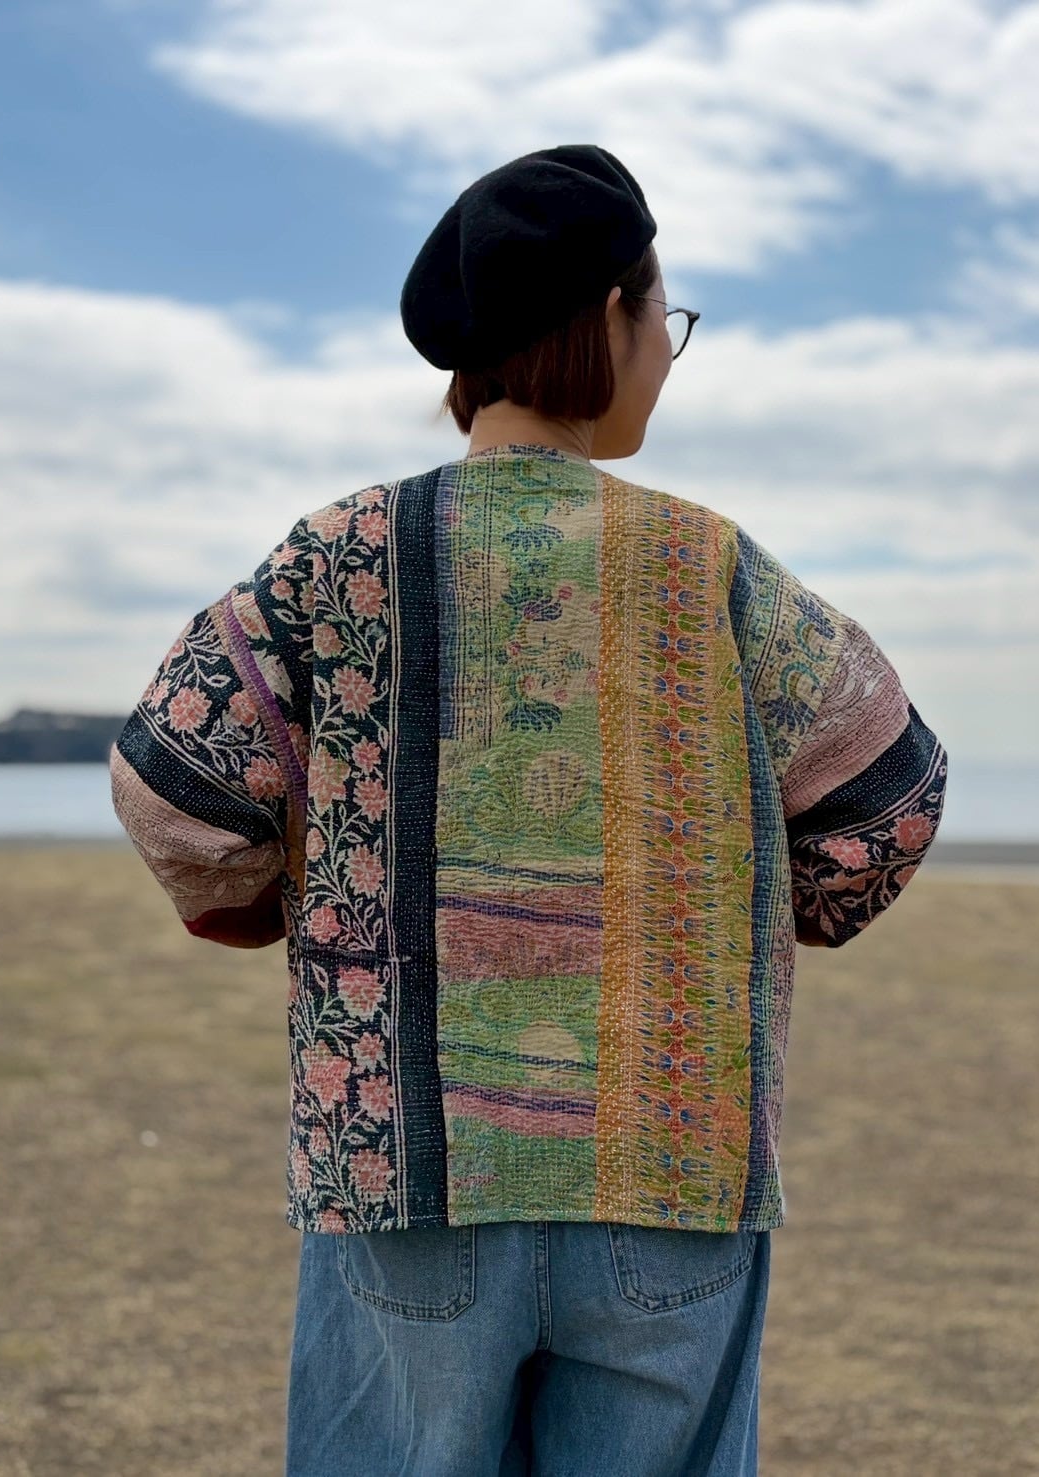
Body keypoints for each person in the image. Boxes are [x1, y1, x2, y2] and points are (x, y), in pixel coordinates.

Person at [109, 144, 948, 1476]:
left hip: (404, 1173)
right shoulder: (716, 572)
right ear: (613, 314)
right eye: (666, 319)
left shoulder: (339, 559)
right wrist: (757, 901)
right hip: (673, 1168)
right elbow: (890, 795)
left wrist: (279, 895)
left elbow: (175, 787)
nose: (666, 353)